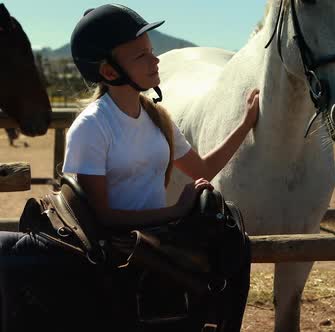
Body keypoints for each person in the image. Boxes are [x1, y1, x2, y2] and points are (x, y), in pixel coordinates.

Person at [64, 4, 260, 229]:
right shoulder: (91, 127)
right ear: (110, 72)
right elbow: (102, 218)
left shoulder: (157, 118)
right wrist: (175, 211)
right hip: (115, 257)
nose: (155, 61)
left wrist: (245, 125)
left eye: (151, 51)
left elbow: (203, 170)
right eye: (142, 56)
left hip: (153, 248)